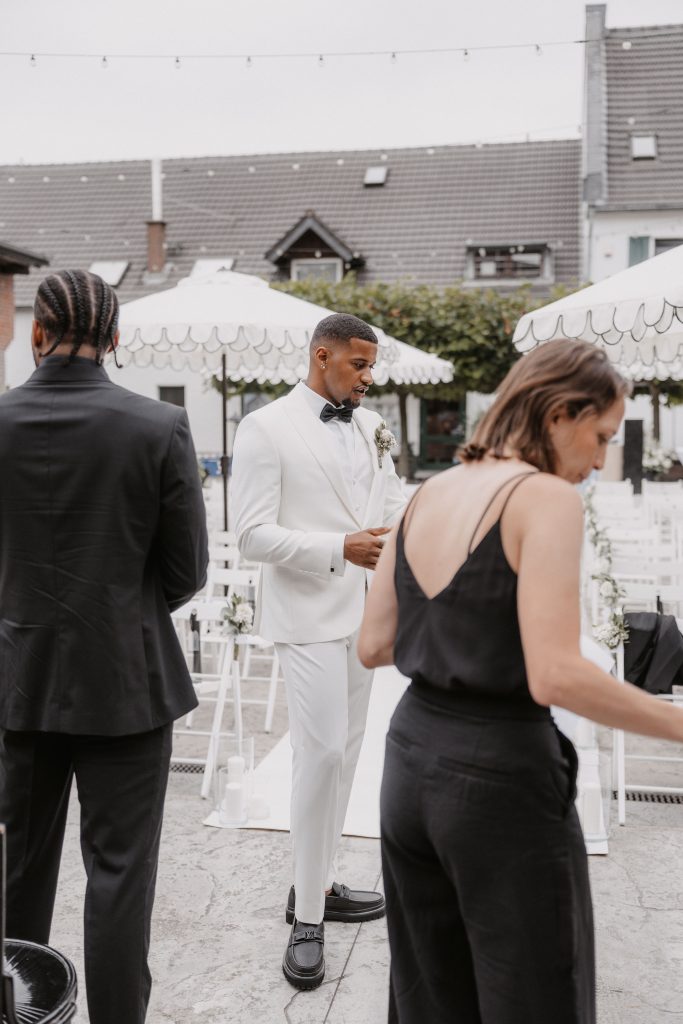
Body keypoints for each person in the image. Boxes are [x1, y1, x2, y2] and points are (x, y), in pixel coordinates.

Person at [358, 339, 683, 1024]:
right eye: (599, 436)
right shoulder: (543, 498)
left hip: (409, 765)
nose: (598, 459)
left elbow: (374, 644)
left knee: (430, 993)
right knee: (533, 993)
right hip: (497, 777)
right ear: (560, 413)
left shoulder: (430, 490)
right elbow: (555, 672)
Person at [0, 270, 208, 1024]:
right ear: (116, 341)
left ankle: (16, 1011)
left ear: (37, 331)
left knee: (16, 871)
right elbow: (186, 572)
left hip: (17, 682)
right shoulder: (157, 427)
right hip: (127, 682)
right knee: (120, 876)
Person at [231, 312, 406, 990]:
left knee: (348, 757)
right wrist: (337, 547)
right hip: (305, 614)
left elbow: (387, 500)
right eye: (358, 365)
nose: (369, 377)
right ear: (321, 355)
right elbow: (250, 535)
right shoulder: (265, 427)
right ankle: (306, 916)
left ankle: (322, 881)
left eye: (371, 366)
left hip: (362, 616)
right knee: (320, 754)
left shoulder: (370, 427)